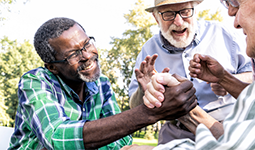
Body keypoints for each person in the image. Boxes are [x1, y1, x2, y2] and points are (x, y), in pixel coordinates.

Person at [7, 17, 198, 150]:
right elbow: (57, 139)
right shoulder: (35, 81)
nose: (88, 56)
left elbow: (121, 141)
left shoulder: (101, 83)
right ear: (52, 67)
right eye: (73, 54)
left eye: (87, 44)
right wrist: (151, 112)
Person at [122, 0, 255, 149]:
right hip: (176, 133)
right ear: (156, 17)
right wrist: (144, 90)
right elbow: (135, 107)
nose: (178, 22)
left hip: (229, 125)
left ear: (195, 10)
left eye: (185, 11)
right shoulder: (148, 50)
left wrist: (227, 81)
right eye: (168, 14)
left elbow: (252, 78)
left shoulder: (223, 33)